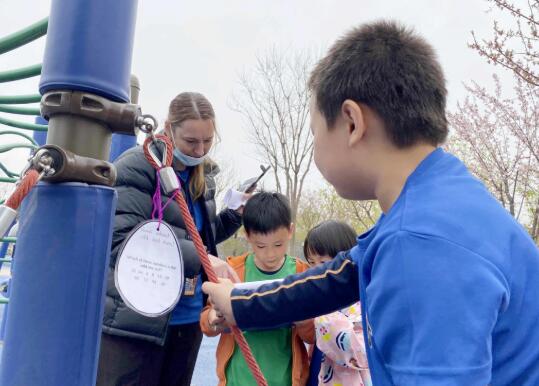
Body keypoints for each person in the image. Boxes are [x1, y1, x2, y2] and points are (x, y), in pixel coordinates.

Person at [202, 20, 539, 385]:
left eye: (315, 133)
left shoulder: (418, 242)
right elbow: (340, 275)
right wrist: (241, 304)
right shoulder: (440, 199)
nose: (315, 148)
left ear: (352, 122)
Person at [97, 92, 244, 386]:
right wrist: (204, 258)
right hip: (136, 323)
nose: (200, 149)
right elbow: (120, 241)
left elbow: (199, 235)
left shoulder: (202, 175)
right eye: (191, 142)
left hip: (186, 320)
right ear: (168, 127)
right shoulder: (137, 167)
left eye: (207, 141)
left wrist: (236, 214)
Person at [200, 192, 315, 386]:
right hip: (237, 380)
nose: (270, 254)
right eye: (260, 246)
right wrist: (214, 318)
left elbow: (313, 337)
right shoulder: (233, 271)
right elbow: (206, 324)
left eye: (278, 245)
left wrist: (304, 320)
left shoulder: (302, 274)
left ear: (290, 231)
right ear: (247, 236)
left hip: (285, 380)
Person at [303, 220, 371, 386]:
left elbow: (362, 353)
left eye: (323, 263)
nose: (315, 271)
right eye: (311, 262)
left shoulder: (363, 302)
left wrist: (321, 314)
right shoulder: (323, 299)